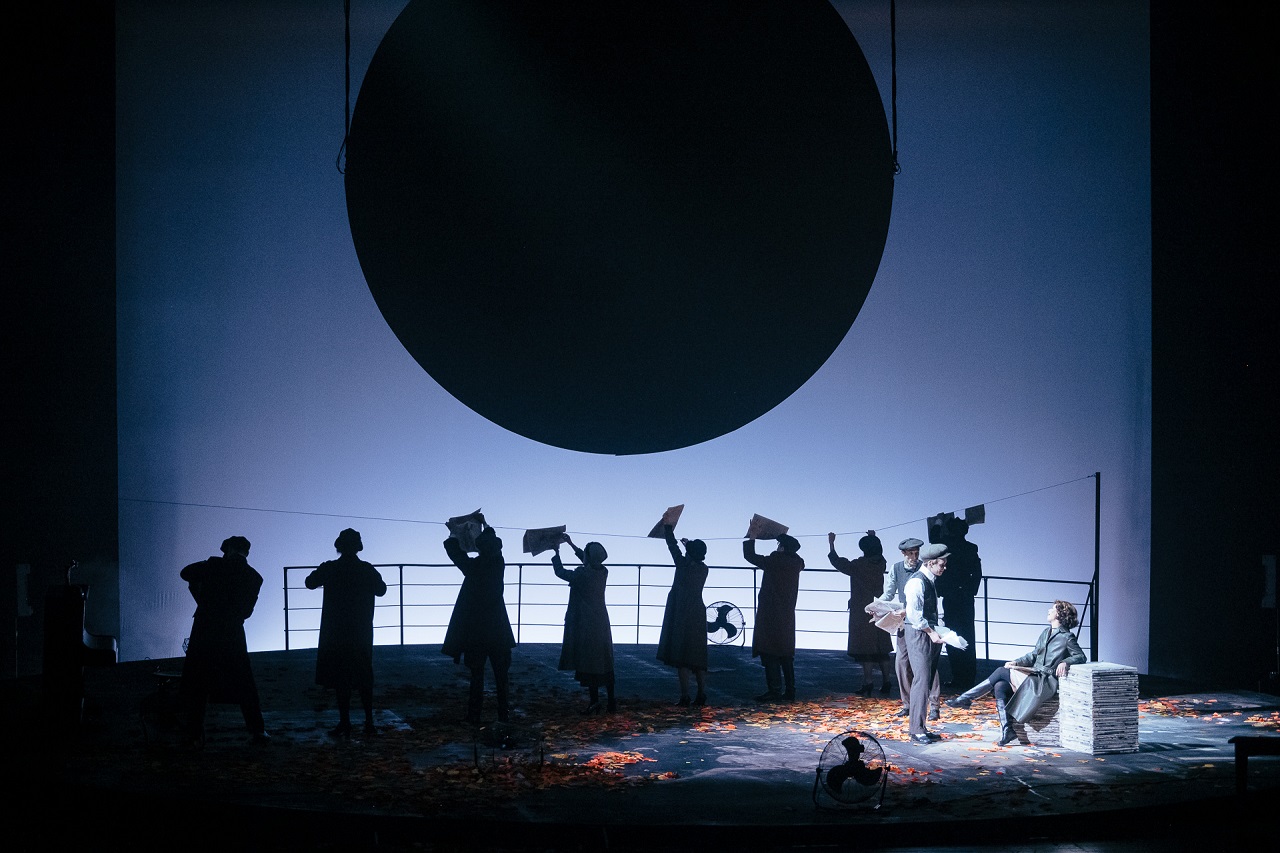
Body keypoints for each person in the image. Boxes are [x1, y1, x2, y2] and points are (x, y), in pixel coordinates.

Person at [947, 600, 1086, 746]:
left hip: (1044, 680)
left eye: (1053, 609)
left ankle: (966, 698)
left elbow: (1080, 656)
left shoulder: (1067, 637)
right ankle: (1007, 730)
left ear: (1060, 614)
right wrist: (1016, 662)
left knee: (1001, 671)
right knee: (1000, 686)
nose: (1049, 610)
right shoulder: (1046, 632)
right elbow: (1033, 655)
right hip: (1034, 674)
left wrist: (1065, 662)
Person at [178, 535, 269, 746]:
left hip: (205, 628)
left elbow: (185, 573)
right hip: (232, 631)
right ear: (246, 552)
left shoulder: (213, 565)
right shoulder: (255, 577)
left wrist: (201, 594)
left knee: (199, 681)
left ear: (228, 550)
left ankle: (193, 733)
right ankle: (257, 730)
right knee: (244, 681)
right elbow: (246, 612)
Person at [304, 528, 387, 737]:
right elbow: (382, 590)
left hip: (336, 631)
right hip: (361, 630)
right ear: (358, 547)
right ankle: (369, 722)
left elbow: (309, 583)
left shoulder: (330, 568)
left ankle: (345, 722)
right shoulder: (366, 569)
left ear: (339, 546)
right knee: (364, 674)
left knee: (341, 677)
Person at [442, 515, 516, 725]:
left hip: (476, 632)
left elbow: (455, 552)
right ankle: (503, 714)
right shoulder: (498, 562)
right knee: (501, 676)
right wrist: (485, 525)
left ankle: (474, 715)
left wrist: (454, 532)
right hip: (499, 630)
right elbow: (492, 542)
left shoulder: (473, 568)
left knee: (476, 675)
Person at [552, 536, 616, 714]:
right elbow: (588, 560)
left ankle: (594, 701)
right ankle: (611, 701)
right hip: (601, 621)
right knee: (605, 661)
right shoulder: (603, 571)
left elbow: (560, 572)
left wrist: (556, 553)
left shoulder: (582, 574)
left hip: (585, 623)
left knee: (589, 663)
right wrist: (571, 544)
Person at [882, 537, 940, 720]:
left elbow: (929, 598)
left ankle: (934, 705)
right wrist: (877, 606)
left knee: (926, 663)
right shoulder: (896, 568)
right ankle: (908, 704)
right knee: (901, 662)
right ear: (903, 553)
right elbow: (888, 593)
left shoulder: (924, 569)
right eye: (911, 554)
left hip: (923, 622)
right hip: (904, 622)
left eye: (917, 553)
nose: (914, 557)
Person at [828, 530, 892, 695]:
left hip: (863, 610)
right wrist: (873, 537)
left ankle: (868, 682)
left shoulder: (859, 565)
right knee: (882, 646)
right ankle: (887, 681)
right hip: (880, 608)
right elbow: (878, 553)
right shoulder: (881, 563)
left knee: (866, 648)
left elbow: (838, 562)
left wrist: (831, 543)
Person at [744, 534, 804, 702]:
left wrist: (752, 536)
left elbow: (749, 556)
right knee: (785, 653)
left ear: (782, 547)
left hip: (770, 612)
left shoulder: (774, 561)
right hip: (787, 613)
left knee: (769, 651)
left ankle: (774, 690)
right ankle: (790, 690)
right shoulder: (797, 563)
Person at [656, 523, 709, 707]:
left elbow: (672, 547)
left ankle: (685, 695)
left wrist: (668, 530)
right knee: (698, 656)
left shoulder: (683, 565)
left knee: (682, 657)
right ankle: (701, 693)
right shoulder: (704, 569)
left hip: (681, 611)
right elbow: (689, 555)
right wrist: (689, 546)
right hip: (698, 611)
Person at [902, 542, 949, 744]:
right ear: (930, 563)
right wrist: (931, 632)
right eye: (942, 564)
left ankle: (921, 726)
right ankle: (916, 729)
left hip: (929, 633)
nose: (944, 568)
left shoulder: (929, 580)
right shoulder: (917, 582)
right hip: (920, 634)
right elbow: (914, 616)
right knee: (921, 680)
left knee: (926, 680)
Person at [935, 516, 982, 690]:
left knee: (952, 634)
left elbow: (934, 539)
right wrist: (971, 590)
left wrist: (938, 523)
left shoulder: (946, 545)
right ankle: (968, 677)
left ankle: (957, 676)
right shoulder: (971, 548)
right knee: (968, 634)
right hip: (966, 597)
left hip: (950, 595)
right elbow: (977, 572)